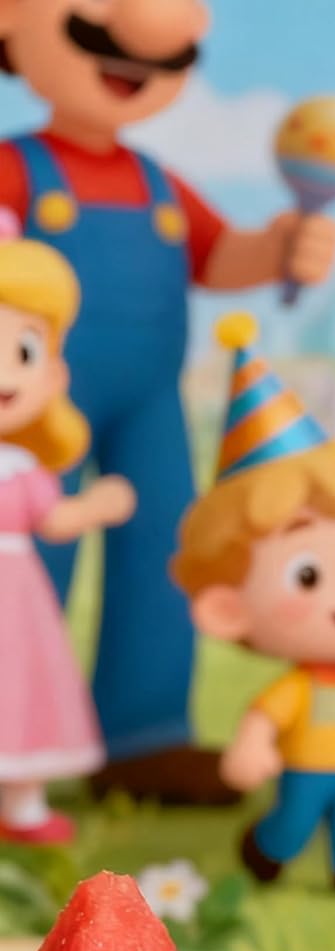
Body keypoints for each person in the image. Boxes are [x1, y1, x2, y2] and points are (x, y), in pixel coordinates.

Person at [0, 0, 335, 805]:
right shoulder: (17, 170)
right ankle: (14, 744)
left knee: (164, 556)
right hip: (31, 412)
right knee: (22, 563)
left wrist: (286, 244)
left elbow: (221, 253)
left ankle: (145, 736)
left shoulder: (157, 183)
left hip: (149, 407)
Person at [171, 315, 335, 889]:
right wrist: (249, 750)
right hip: (304, 770)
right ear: (227, 607)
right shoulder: (291, 691)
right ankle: (267, 845)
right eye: (309, 575)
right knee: (293, 821)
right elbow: (265, 718)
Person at [0, 225, 134, 842]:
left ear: (52, 371)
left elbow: (54, 520)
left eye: (23, 350)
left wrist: (97, 505)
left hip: (16, 602)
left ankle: (23, 806)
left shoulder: (25, 469)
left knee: (19, 689)